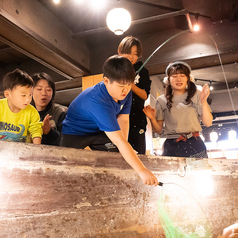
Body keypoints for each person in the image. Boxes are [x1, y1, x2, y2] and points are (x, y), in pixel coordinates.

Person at [61, 55, 158, 186]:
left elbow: (123, 119)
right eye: (121, 85)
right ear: (106, 81)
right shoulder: (98, 101)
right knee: (65, 167)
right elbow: (118, 140)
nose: (126, 90)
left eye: (129, 84)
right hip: (75, 132)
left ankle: (108, 188)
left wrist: (124, 146)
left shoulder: (126, 92)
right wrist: (142, 170)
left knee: (116, 157)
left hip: (99, 131)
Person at [143, 61, 213, 158]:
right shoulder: (161, 100)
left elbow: (208, 123)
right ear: (168, 79)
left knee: (198, 173)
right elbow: (158, 130)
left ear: (188, 78)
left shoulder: (197, 94)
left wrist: (204, 101)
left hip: (195, 143)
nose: (178, 79)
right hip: (172, 145)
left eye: (182, 75)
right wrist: (152, 118)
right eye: (174, 76)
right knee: (171, 173)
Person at [118, 36, 151, 154]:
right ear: (120, 52)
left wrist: (131, 84)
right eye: (127, 53)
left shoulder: (142, 71)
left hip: (137, 119)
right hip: (117, 117)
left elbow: (144, 95)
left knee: (138, 153)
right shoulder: (115, 69)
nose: (131, 57)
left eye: (135, 54)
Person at [0, 68, 42, 144]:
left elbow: (36, 131)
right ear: (7, 95)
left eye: (30, 95)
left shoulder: (32, 111)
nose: (28, 100)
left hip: (23, 153)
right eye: (23, 95)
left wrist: (37, 150)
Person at [31, 72, 68, 146]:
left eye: (48, 89)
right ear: (31, 91)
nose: (44, 93)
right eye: (39, 89)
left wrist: (50, 132)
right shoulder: (24, 112)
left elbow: (67, 143)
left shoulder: (61, 112)